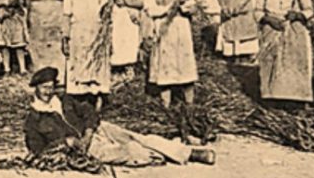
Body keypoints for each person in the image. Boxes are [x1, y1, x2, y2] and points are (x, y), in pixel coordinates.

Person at [24, 67, 216, 166]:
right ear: (36, 89)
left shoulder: (64, 100)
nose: (48, 92)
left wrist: (89, 130)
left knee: (139, 138)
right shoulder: (34, 119)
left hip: (98, 130)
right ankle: (168, 153)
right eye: (44, 88)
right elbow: (38, 150)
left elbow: (89, 112)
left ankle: (191, 153)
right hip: (87, 149)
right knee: (131, 151)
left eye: (50, 87)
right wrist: (67, 143)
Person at [254, 0, 314, 106]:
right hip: (271, 29)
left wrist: (297, 15)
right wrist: (269, 20)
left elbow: (309, 10)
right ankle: (272, 97)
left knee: (292, 62)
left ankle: (295, 99)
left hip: (293, 28)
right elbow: (257, 11)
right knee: (271, 62)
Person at [144, 0, 199, 108]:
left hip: (181, 26)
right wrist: (167, 9)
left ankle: (190, 104)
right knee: (165, 64)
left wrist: (186, 8)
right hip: (164, 26)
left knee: (184, 62)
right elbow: (149, 7)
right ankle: (166, 104)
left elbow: (192, 4)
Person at [62, 0, 110, 110]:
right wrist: (65, 37)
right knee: (79, 64)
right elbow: (66, 16)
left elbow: (106, 15)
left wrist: (105, 35)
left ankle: (97, 98)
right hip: (78, 33)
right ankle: (80, 99)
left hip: (96, 32)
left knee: (96, 65)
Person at [110, 0, 143, 74]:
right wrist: (144, 3)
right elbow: (129, 1)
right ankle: (124, 68)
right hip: (124, 14)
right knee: (125, 41)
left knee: (129, 40)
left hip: (126, 13)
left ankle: (127, 68)